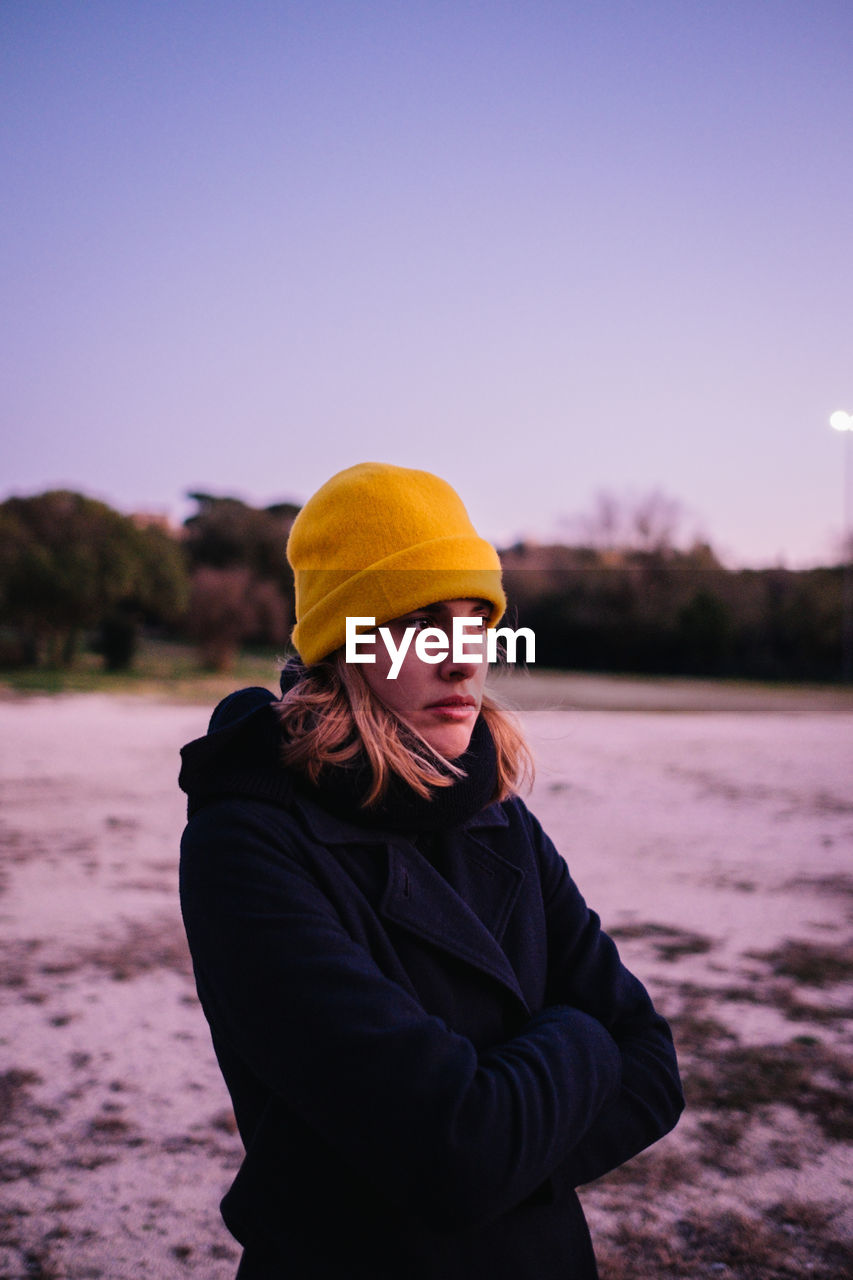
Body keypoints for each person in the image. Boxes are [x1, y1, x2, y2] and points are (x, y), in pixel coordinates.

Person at [178, 461, 683, 1279]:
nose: (460, 661)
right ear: (344, 641)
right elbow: (457, 1153)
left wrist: (497, 1150)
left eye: (475, 618)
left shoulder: (499, 815)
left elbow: (654, 1074)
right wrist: (583, 1036)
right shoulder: (246, 843)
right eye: (418, 622)